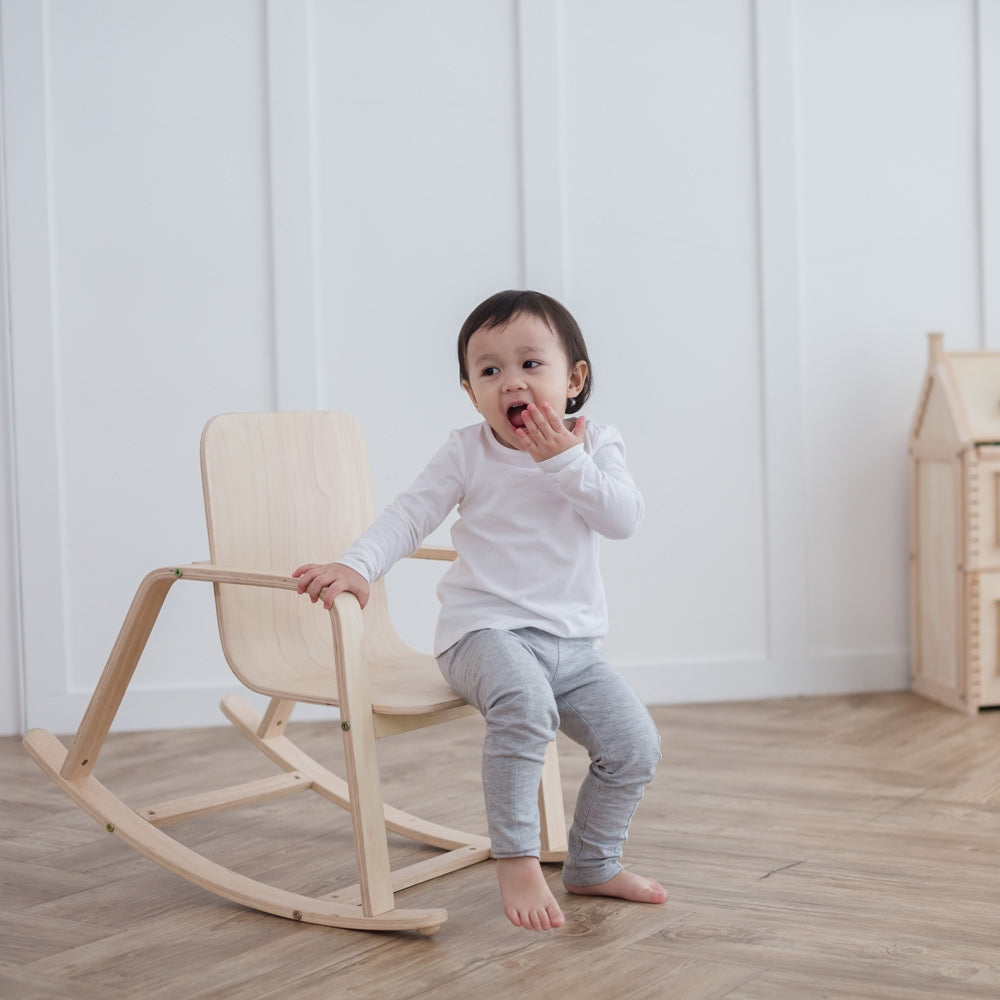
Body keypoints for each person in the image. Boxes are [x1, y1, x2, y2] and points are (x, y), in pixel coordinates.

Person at [293, 290, 665, 931]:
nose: (510, 382)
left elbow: (622, 519)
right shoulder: (468, 450)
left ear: (573, 380)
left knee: (635, 747)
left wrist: (564, 462)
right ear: (471, 392)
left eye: (530, 365)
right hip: (480, 633)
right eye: (489, 371)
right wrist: (357, 566)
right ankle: (517, 858)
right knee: (525, 706)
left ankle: (593, 864)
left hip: (573, 646)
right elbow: (409, 516)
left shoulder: (596, 444)